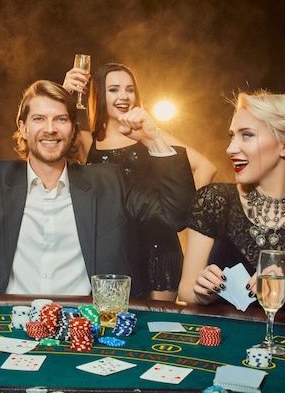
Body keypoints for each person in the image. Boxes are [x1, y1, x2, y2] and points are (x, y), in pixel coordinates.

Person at [0, 79, 196, 297]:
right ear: (23, 128)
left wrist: (153, 138)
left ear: (72, 129)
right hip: (1, 326)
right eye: (39, 119)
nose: (50, 129)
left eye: (60, 119)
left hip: (89, 331)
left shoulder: (111, 182)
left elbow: (175, 215)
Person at [177, 90, 285, 318]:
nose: (230, 148)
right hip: (219, 345)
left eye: (247, 135)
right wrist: (202, 293)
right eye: (232, 136)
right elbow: (185, 291)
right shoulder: (213, 200)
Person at [63, 62, 217, 300]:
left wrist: (184, 213)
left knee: (155, 326)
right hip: (111, 249)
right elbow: (51, 139)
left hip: (157, 246)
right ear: (98, 95)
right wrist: (66, 96)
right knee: (112, 322)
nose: (124, 96)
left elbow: (206, 167)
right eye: (114, 89)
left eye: (130, 89)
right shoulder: (86, 141)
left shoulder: (150, 134)